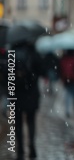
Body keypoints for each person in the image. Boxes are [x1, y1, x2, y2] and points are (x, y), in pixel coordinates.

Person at [5, 25, 46, 159]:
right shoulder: (33, 52)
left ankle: (20, 151)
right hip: (31, 93)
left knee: (17, 123)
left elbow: (7, 76)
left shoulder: (11, 53)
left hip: (17, 93)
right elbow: (42, 71)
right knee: (31, 121)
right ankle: (32, 148)